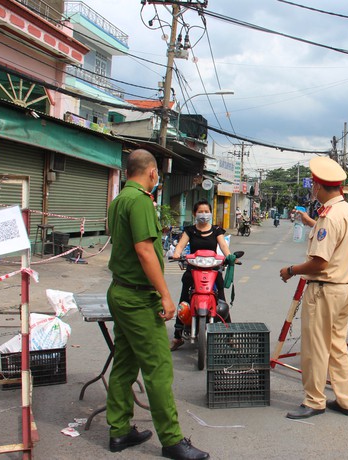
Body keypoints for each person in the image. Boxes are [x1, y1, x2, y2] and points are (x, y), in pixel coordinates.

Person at [106, 149, 208, 460]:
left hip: (120, 292)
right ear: (152, 173)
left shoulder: (120, 199)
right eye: (157, 173)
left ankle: (119, 430)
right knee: (159, 368)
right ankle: (172, 440)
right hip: (137, 297)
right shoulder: (139, 201)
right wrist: (165, 294)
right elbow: (146, 252)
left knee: (125, 363)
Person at [279, 156, 348, 420]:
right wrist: (311, 222)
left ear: (319, 186)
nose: (313, 190)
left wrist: (291, 271)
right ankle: (346, 400)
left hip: (324, 290)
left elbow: (319, 262)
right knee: (337, 346)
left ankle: (314, 400)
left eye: (314, 185)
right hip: (343, 289)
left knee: (315, 348)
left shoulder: (328, 216)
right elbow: (334, 239)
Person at [170, 200, 233, 351]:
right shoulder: (190, 230)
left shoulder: (217, 230)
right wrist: (177, 253)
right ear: (194, 214)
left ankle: (229, 336)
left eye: (206, 211)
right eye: (201, 211)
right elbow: (180, 245)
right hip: (193, 270)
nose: (204, 214)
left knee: (221, 300)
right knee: (184, 300)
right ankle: (177, 336)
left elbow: (223, 246)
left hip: (213, 270)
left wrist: (229, 257)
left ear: (210, 213)